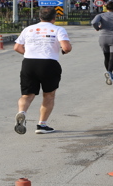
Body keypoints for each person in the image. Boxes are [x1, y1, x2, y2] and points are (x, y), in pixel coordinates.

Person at [13, 7, 72, 135]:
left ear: (39, 17)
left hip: (29, 63)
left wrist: (28, 53)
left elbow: (17, 47)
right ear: (54, 18)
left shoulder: (28, 29)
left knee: (27, 95)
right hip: (48, 64)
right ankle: (42, 125)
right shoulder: (58, 29)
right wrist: (63, 50)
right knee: (49, 95)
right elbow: (66, 47)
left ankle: (22, 112)